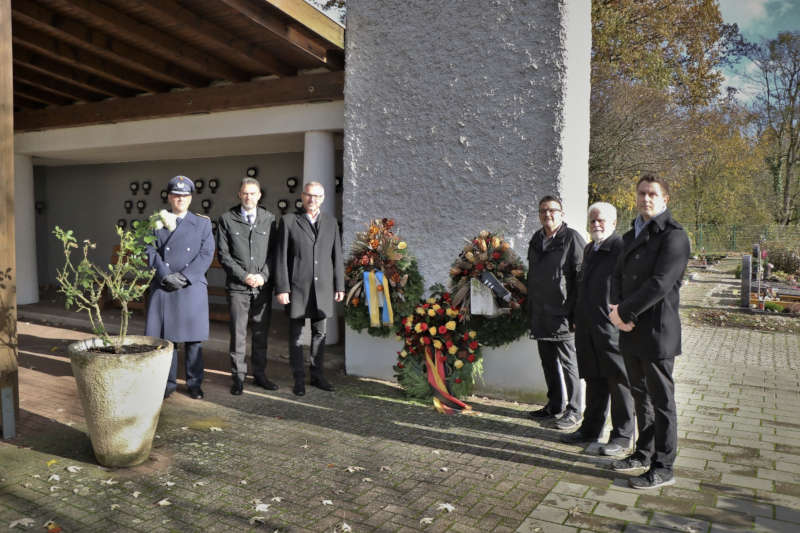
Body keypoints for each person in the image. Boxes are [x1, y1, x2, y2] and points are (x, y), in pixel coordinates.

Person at [609, 174, 690, 490]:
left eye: (652, 194)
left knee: (662, 401)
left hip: (657, 331)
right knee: (640, 396)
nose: (645, 198)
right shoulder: (630, 235)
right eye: (641, 193)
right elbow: (617, 276)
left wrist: (624, 313)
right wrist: (616, 311)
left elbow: (660, 283)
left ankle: (664, 465)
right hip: (630, 330)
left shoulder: (674, 236)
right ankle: (643, 453)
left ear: (664, 199)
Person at [561, 202, 635, 458]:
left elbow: (630, 285)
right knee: (593, 379)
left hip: (611, 327)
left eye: (601, 220)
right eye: (592, 220)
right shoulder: (591, 248)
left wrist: (624, 317)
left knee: (619, 382)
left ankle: (622, 436)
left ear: (613, 223)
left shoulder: (620, 248)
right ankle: (590, 429)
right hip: (588, 326)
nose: (596, 225)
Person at [145, 175, 215, 400]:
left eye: (184, 196)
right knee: (168, 340)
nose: (180, 199)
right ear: (169, 197)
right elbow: (148, 250)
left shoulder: (202, 223)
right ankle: (168, 383)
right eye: (176, 195)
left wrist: (184, 277)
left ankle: (195, 384)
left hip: (190, 286)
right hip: (164, 286)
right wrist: (165, 275)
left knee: (193, 340)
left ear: (191, 198)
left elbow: (206, 254)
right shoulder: (156, 221)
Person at [275, 181, 344, 396]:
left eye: (316, 196)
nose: (312, 199)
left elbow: (337, 256)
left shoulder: (332, 223)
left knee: (319, 334)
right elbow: (281, 258)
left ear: (322, 198)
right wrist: (282, 288)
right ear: (302, 196)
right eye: (308, 195)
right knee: (295, 336)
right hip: (297, 288)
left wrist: (339, 284)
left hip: (322, 289)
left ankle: (317, 375)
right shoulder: (288, 221)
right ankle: (298, 378)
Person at [527, 195, 586, 430]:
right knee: (548, 362)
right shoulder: (536, 239)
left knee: (569, 363)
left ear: (561, 214)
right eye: (543, 211)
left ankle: (574, 411)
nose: (547, 214)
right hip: (540, 312)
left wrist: (577, 315)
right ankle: (554, 405)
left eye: (552, 210)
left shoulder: (572, 239)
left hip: (563, 314)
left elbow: (582, 279)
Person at [216, 178, 279, 395]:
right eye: (245, 193)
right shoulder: (226, 219)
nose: (248, 197)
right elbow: (224, 255)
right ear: (239, 194)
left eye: (252, 193)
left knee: (261, 334)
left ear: (259, 195)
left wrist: (263, 276)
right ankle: (238, 378)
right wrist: (244, 276)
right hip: (237, 287)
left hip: (262, 287)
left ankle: (260, 375)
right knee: (238, 334)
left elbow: (274, 254)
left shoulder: (269, 219)